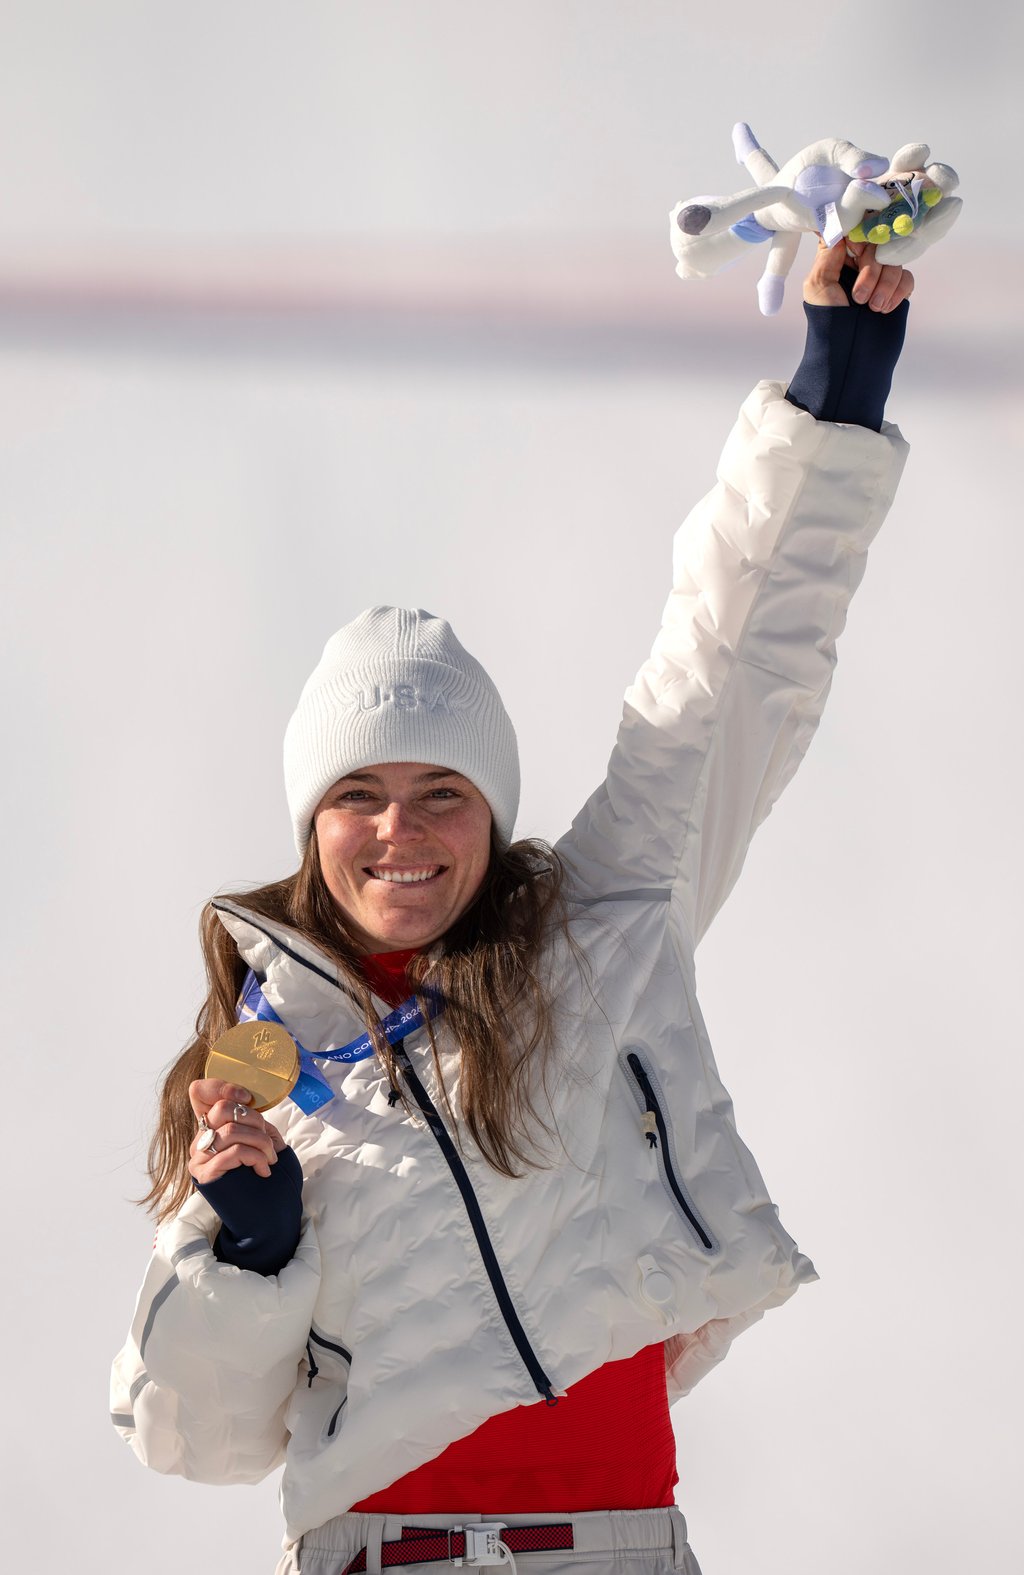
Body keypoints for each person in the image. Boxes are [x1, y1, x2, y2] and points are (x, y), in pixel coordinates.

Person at [111, 235, 915, 1575]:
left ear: (494, 813)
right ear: (311, 826)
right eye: (359, 794)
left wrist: (833, 389)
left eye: (445, 791)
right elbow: (189, 1430)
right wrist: (250, 1251)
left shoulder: (592, 935)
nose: (401, 833)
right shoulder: (257, 1053)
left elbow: (728, 663)